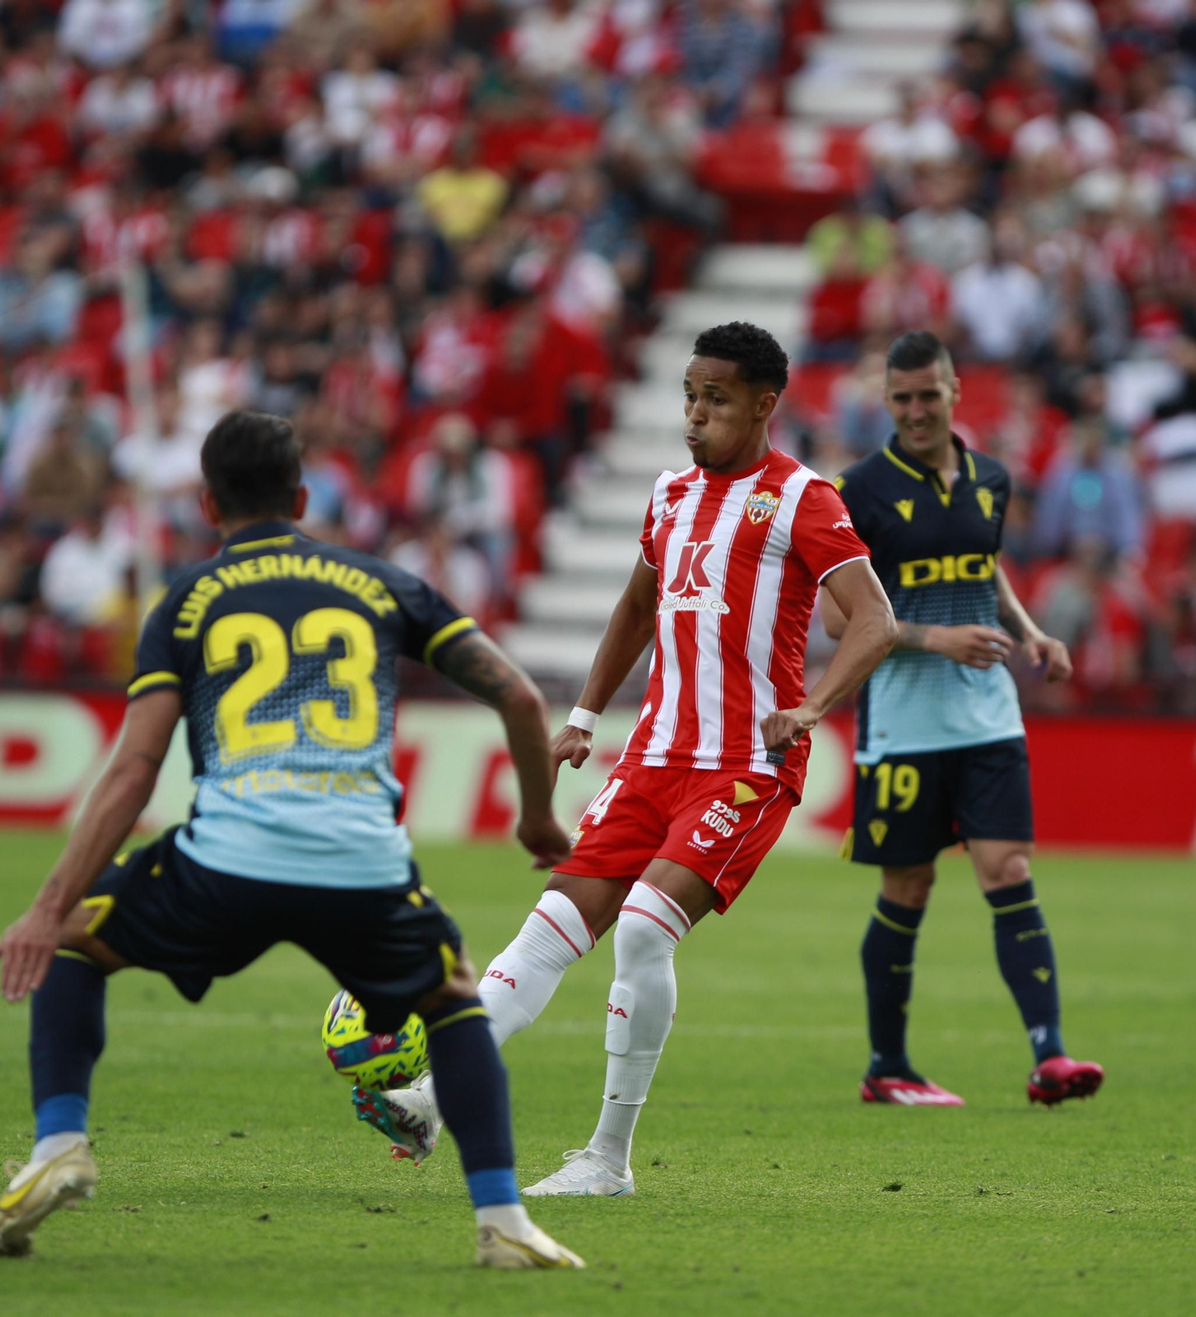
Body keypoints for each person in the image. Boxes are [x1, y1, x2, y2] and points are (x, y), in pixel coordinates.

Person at [0, 411, 585, 1270]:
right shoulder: (380, 583)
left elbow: (137, 766)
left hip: (226, 859)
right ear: (301, 496)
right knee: (452, 998)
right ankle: (503, 1220)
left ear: (207, 502)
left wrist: (45, 905)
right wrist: (537, 816)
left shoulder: (186, 598)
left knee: (74, 939)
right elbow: (518, 697)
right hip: (360, 861)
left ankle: (59, 1145)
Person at [354, 323, 898, 1194]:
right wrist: (580, 715)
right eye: (688, 395)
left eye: (714, 399)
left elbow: (875, 618)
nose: (694, 414)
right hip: (652, 757)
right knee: (547, 931)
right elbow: (636, 605)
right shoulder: (671, 494)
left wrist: (813, 704)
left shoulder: (805, 498)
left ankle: (608, 1159)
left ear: (764, 404)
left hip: (743, 765)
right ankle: (426, 1099)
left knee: (643, 927)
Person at [826, 330, 1105, 1107]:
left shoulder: (990, 478)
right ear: (888, 401)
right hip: (903, 724)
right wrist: (930, 636)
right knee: (908, 887)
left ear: (954, 393)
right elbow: (831, 617)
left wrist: (1029, 631)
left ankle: (1050, 1056)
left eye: (930, 395)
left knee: (1007, 868)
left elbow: (984, 568)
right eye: (903, 398)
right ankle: (887, 1066)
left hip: (989, 718)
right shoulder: (857, 492)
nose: (917, 410)